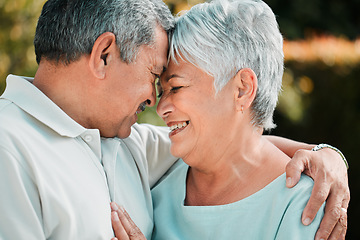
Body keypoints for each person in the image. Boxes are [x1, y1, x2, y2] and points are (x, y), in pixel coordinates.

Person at [0, 0, 348, 239]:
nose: (155, 101)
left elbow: (233, 144)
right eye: (153, 75)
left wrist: (328, 156)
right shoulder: (9, 152)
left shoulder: (125, 143)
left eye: (171, 85)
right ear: (103, 55)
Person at [110, 0, 349, 239]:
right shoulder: (157, 169)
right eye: (162, 91)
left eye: (176, 87)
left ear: (242, 89)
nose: (161, 108)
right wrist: (329, 153)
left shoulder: (304, 204)